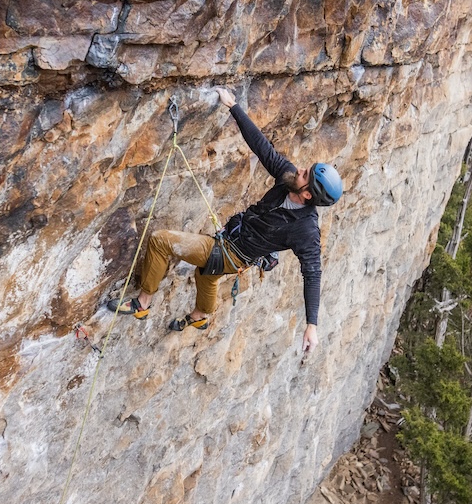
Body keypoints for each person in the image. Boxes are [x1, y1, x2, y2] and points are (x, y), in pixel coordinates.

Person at [107, 87, 342, 354]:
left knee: (161, 241)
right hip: (233, 237)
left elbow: (312, 273)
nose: (299, 169)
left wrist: (312, 324)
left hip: (233, 253)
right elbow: (263, 148)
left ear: (307, 194)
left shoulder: (306, 230)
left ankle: (142, 304)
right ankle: (200, 317)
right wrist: (233, 107)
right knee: (206, 275)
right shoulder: (288, 178)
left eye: (304, 174)